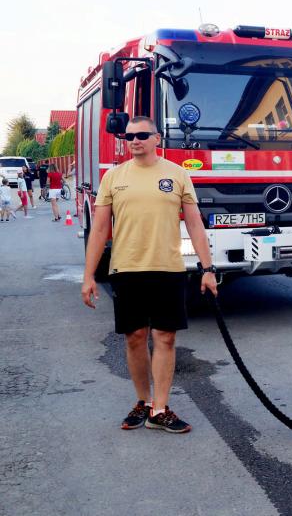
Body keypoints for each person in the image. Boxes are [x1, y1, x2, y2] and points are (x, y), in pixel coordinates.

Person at [81, 116, 218, 433]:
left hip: (168, 269)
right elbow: (99, 229)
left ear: (157, 138)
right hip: (127, 269)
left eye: (142, 135)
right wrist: (88, 276)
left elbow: (194, 224)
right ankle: (142, 401)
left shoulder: (178, 174)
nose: (135, 140)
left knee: (165, 337)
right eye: (129, 136)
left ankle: (160, 408)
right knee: (135, 338)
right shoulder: (113, 177)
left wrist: (208, 268)